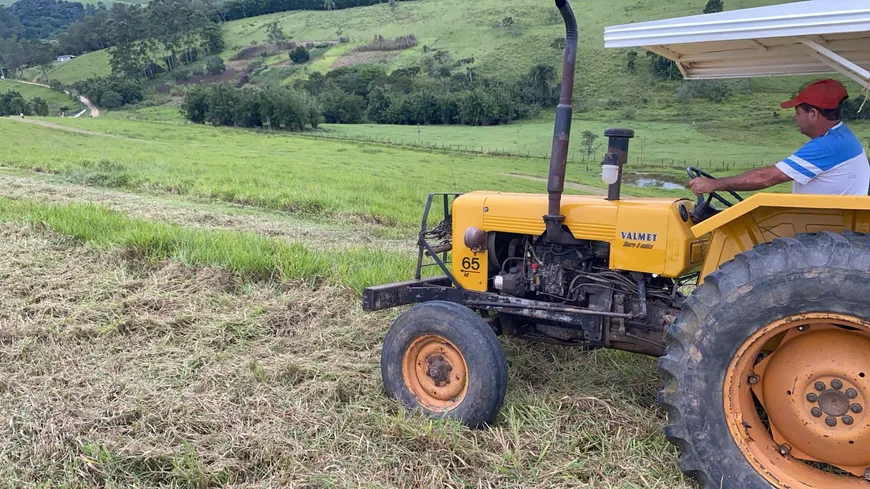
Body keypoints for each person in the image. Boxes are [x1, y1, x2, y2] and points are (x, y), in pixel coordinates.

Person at [690, 79, 870, 196]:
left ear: (813, 114)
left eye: (798, 112)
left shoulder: (828, 146)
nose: (795, 117)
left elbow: (767, 177)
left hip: (820, 232)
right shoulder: (842, 137)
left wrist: (713, 184)